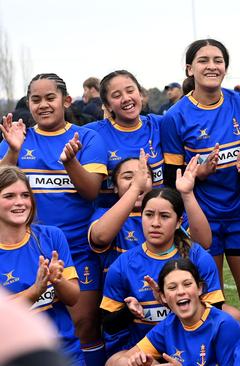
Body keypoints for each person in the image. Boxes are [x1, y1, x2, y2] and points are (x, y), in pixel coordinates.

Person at [0, 73, 108, 366]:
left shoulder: (86, 137)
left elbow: (90, 192)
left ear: (66, 100)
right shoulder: (19, 139)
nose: (43, 105)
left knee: (83, 323)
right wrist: (12, 149)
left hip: (76, 247)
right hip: (27, 249)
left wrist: (70, 162)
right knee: (34, 324)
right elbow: (1, 186)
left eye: (50, 98)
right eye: (36, 99)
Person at [160, 38, 240, 300]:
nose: (212, 66)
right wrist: (199, 174)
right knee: (210, 301)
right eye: (203, 60)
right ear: (189, 69)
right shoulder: (175, 116)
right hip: (202, 217)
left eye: (218, 60)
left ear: (226, 68)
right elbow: (172, 179)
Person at [100, 187, 223, 354]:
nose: (155, 223)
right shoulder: (123, 265)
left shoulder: (198, 258)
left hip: (191, 347)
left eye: (164, 216)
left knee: (234, 319)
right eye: (149, 215)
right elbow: (108, 324)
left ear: (179, 222)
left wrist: (169, 302)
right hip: (140, 351)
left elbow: (215, 314)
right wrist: (129, 313)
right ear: (141, 217)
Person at [0, 166, 83, 365]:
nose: (19, 203)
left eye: (25, 195)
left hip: (64, 353)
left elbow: (73, 298)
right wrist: (37, 289)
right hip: (17, 357)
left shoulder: (52, 236)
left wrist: (58, 280)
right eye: (9, 196)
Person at [106, 259, 240, 366]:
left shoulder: (224, 325)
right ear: (163, 297)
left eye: (187, 284)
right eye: (172, 287)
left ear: (199, 288)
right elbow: (113, 363)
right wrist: (139, 362)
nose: (181, 291)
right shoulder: (169, 324)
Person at [85, 70, 165, 208]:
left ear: (140, 94)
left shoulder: (160, 125)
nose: (126, 98)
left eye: (130, 91)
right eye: (117, 95)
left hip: (157, 218)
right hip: (113, 223)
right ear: (108, 105)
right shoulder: (91, 133)